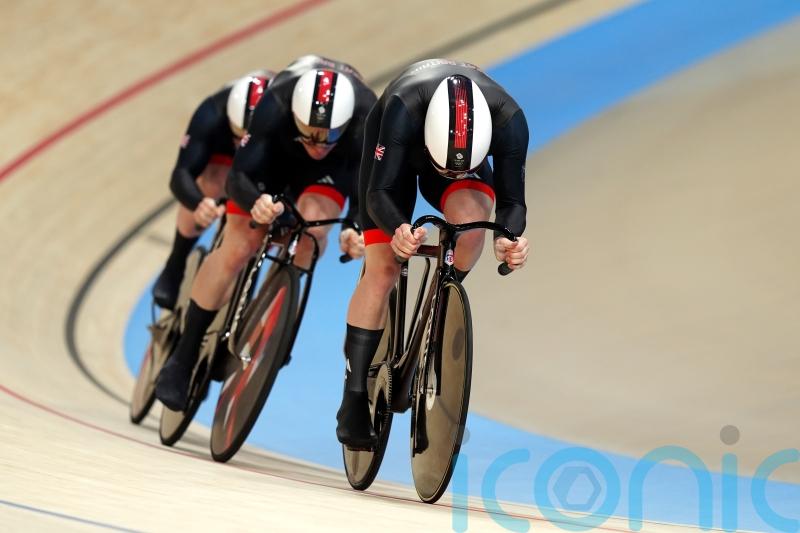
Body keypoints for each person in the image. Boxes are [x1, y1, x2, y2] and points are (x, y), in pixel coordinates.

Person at [155, 55, 375, 411]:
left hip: (332, 172)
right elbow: (237, 177)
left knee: (313, 233)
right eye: (311, 133)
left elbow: (367, 185)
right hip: (276, 160)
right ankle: (184, 354)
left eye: (329, 135)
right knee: (240, 245)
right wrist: (255, 202)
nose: (319, 144)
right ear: (294, 114)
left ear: (346, 123)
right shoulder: (275, 103)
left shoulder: (367, 118)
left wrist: (353, 227)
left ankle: (274, 309)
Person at [336, 59, 531, 449]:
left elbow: (513, 203)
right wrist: (399, 230)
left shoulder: (508, 121)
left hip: (458, 151)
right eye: (447, 169)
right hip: (398, 153)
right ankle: (353, 394)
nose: (450, 176)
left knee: (472, 228)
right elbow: (378, 194)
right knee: (383, 268)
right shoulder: (402, 109)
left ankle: (439, 309)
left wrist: (508, 238)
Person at [152, 70, 274, 310]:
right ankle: (176, 263)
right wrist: (199, 203)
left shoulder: (281, 118)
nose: (243, 144)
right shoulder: (211, 113)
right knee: (213, 180)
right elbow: (181, 173)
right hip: (222, 156)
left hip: (265, 155)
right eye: (239, 135)